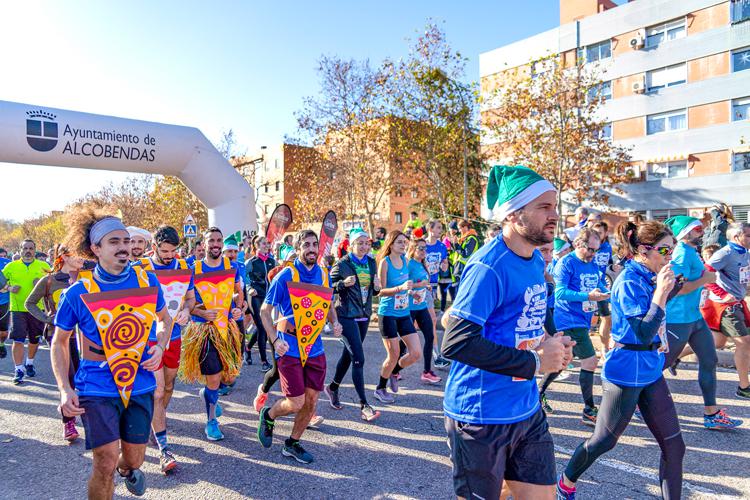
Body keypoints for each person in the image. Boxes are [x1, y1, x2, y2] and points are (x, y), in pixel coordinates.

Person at [441, 165, 573, 500]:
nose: (554, 215)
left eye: (554, 206)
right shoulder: (488, 267)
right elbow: (456, 342)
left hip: (526, 410)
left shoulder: (533, 262)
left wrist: (550, 343)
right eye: (544, 207)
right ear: (514, 213)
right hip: (481, 416)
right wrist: (534, 362)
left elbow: (523, 320)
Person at [557, 220, 685, 500]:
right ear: (643, 249)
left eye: (672, 249)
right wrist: (663, 294)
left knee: (675, 447)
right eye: (664, 250)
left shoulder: (650, 276)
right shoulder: (628, 280)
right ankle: (566, 481)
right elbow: (641, 332)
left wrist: (670, 289)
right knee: (603, 442)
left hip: (650, 368)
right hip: (625, 370)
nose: (670, 256)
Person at [51, 208, 172, 498]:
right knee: (103, 462)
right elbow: (59, 342)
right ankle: (112, 471)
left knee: (134, 459)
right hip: (96, 384)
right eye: (114, 242)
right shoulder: (78, 292)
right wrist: (65, 389)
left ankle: (127, 469)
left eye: (126, 241)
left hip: (140, 381)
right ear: (96, 249)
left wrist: (160, 344)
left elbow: (164, 320)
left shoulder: (147, 282)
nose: (124, 247)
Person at [257, 230, 342, 464]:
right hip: (289, 347)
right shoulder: (286, 275)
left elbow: (329, 303)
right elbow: (265, 311)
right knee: (296, 402)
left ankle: (292, 443)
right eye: (306, 245)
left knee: (312, 401)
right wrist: (275, 340)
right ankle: (270, 413)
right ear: (297, 249)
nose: (312, 249)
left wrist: (335, 322)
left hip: (315, 348)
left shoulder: (324, 275)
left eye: (315, 244)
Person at [660, 216, 741, 428]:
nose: (702, 232)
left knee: (709, 359)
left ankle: (711, 414)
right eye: (697, 229)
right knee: (659, 364)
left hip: (695, 317)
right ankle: (636, 400)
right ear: (684, 233)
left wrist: (712, 284)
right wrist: (706, 279)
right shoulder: (679, 254)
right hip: (678, 320)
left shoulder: (690, 252)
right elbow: (679, 288)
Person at [136, 226, 197, 472]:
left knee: (169, 386)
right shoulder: (141, 269)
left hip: (174, 337)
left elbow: (191, 299)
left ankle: (156, 421)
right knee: (158, 391)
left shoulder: (184, 268)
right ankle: (164, 447)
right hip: (149, 339)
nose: (170, 255)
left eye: (173, 250)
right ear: (154, 248)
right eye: (164, 251)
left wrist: (186, 310)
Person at [539, 228, 609, 423]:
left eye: (597, 250)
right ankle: (589, 409)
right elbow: (560, 293)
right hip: (568, 320)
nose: (594, 254)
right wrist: (589, 296)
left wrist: (609, 295)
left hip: (583, 320)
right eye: (591, 249)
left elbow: (600, 285)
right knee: (590, 362)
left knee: (561, 362)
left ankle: (538, 393)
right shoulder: (566, 263)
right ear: (579, 244)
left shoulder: (592, 263)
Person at [181, 227, 244, 441]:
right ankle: (211, 422)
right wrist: (200, 312)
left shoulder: (232, 267)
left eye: (219, 241)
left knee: (229, 376)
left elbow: (238, 294)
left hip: (228, 330)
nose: (216, 244)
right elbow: (185, 304)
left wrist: (238, 308)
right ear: (204, 244)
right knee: (214, 378)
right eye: (211, 241)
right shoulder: (193, 269)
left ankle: (208, 395)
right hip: (204, 331)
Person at [25, 244, 84, 442]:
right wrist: (47, 318)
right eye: (77, 254)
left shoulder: (85, 277)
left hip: (83, 336)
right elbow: (29, 303)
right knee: (68, 377)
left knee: (83, 377)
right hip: (58, 335)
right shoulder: (48, 280)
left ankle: (88, 415)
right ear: (64, 257)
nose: (81, 258)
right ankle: (68, 422)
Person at [325, 228, 382, 421]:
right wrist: (341, 284)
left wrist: (377, 288)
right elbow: (327, 289)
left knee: (348, 356)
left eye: (367, 243)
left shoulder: (372, 262)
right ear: (351, 245)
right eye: (360, 243)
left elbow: (371, 292)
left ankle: (332, 388)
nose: (364, 246)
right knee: (358, 357)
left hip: (364, 314)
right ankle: (364, 405)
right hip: (346, 315)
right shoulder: (341, 265)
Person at [701, 222, 750, 399]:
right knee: (744, 342)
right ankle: (744, 387)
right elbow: (705, 274)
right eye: (749, 235)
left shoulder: (745, 253)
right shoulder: (725, 253)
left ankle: (675, 355)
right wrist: (722, 294)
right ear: (737, 237)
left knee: (717, 343)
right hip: (724, 306)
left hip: (737, 303)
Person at [373, 230, 422, 404]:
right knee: (393, 355)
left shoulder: (405, 261)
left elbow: (405, 286)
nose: (404, 245)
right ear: (391, 244)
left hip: (404, 313)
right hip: (387, 315)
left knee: (416, 353)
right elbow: (380, 292)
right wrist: (400, 288)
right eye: (400, 242)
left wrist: (411, 293)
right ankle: (380, 388)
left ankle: (395, 371)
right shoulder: (385, 263)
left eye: (405, 242)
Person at [2, 239, 50, 384]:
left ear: (35, 250)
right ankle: (18, 369)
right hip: (17, 309)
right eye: (25, 248)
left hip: (37, 309)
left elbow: (52, 286)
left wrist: (42, 285)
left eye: (31, 248)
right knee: (18, 339)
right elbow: (1, 283)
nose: (28, 251)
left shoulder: (44, 266)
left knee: (35, 339)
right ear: (20, 250)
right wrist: (9, 288)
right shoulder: (11, 266)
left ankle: (29, 363)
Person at [405, 237, 442, 384]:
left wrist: (425, 286)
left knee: (430, 336)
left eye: (425, 248)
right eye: (420, 248)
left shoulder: (422, 264)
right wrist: (419, 284)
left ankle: (427, 371)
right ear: (413, 249)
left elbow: (421, 282)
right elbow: (404, 285)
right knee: (404, 341)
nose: (423, 251)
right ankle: (394, 370)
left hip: (421, 307)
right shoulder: (409, 264)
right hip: (409, 307)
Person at [246, 235, 276, 371]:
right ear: (257, 246)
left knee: (260, 327)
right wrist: (249, 288)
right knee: (263, 327)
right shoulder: (251, 262)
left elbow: (276, 277)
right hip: (255, 297)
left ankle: (247, 347)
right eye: (263, 243)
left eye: (267, 243)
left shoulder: (272, 261)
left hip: (268, 297)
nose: (266, 245)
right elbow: (242, 278)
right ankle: (264, 362)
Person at [423, 219, 451, 369]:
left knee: (430, 321)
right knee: (429, 320)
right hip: (419, 286)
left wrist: (444, 265)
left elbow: (444, 265)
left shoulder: (442, 247)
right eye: (438, 227)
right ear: (430, 229)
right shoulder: (422, 245)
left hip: (432, 286)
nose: (441, 230)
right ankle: (435, 354)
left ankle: (435, 354)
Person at [592, 222, 614, 357]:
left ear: (605, 233)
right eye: (595, 231)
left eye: (600, 232)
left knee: (606, 317)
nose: (597, 235)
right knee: (586, 320)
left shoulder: (607, 247)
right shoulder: (589, 246)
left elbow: (609, 264)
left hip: (601, 287)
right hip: (587, 286)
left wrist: (612, 267)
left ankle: (604, 349)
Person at [450, 220, 479, 291]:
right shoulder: (463, 238)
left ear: (465, 227)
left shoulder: (471, 238)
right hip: (458, 268)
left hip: (465, 268)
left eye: (460, 228)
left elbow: (465, 254)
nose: (459, 231)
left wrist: (456, 245)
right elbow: (457, 252)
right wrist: (454, 243)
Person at [0, 248, 10, 359]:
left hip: (4, 301)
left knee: (3, 332)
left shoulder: (7, 263)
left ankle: (1, 344)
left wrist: (7, 287)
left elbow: (14, 278)